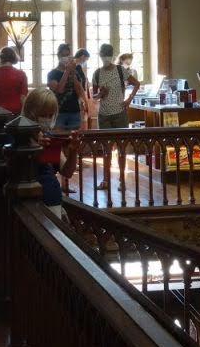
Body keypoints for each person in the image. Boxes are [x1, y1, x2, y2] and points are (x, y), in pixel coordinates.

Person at [92, 43, 139, 190]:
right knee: (106, 149)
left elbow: (136, 84)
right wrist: (101, 94)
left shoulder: (120, 70)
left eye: (107, 55)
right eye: (103, 55)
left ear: (111, 56)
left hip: (120, 114)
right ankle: (105, 180)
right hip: (104, 115)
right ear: (100, 56)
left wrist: (129, 100)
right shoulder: (97, 73)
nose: (105, 58)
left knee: (121, 148)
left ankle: (122, 180)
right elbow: (94, 96)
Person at [21, 87, 66, 219]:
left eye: (50, 115)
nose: (47, 119)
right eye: (43, 115)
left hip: (52, 199)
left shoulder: (48, 137)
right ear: (30, 112)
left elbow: (66, 171)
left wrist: (74, 151)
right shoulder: (18, 135)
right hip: (29, 204)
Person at [47, 44, 85, 192]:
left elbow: (79, 89)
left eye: (68, 55)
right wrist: (66, 72)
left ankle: (66, 184)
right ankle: (57, 181)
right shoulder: (52, 74)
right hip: (59, 113)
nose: (66, 57)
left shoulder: (74, 71)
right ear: (58, 56)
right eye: (63, 54)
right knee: (58, 147)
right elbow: (59, 89)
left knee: (71, 147)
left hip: (74, 112)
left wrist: (72, 74)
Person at [0, 46, 28, 115]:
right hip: (16, 110)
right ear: (14, 58)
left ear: (1, 58)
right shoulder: (21, 74)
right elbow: (23, 97)